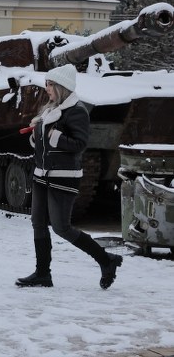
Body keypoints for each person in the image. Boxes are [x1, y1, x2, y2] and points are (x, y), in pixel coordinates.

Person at [16, 64, 123, 289]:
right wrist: (37, 135)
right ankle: (43, 274)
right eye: (47, 84)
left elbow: (80, 145)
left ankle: (107, 260)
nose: (47, 89)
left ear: (62, 87)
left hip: (63, 177)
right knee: (38, 223)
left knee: (61, 227)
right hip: (42, 174)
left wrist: (54, 135)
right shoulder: (49, 111)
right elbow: (42, 145)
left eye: (50, 85)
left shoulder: (77, 111)